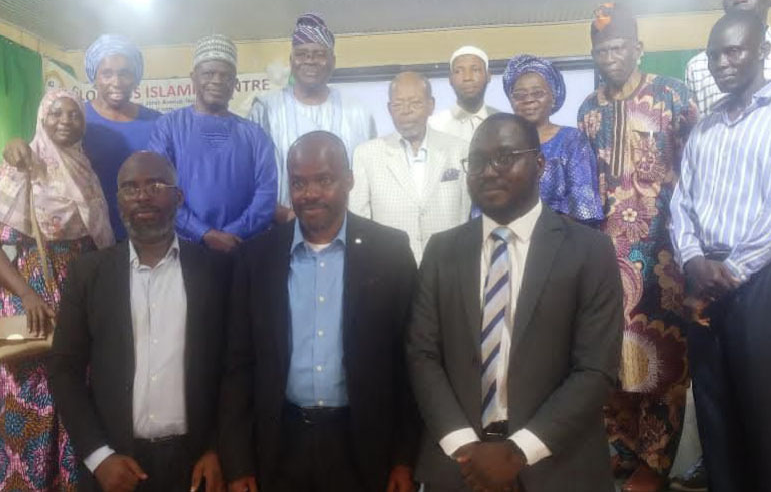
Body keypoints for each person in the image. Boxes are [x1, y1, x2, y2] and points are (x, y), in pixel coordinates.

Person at [407, 113, 623, 491]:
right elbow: (422, 355)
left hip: (557, 464)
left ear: (539, 164)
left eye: (505, 158)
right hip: (460, 467)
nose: (489, 171)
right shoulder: (442, 251)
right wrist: (466, 448)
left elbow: (595, 369)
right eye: (477, 161)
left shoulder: (590, 250)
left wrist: (518, 452)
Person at [220, 131, 419, 492]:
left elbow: (408, 361)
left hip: (364, 445)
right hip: (279, 444)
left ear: (349, 180)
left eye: (324, 180)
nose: (310, 193)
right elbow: (238, 365)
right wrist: (237, 463)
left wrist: (404, 459)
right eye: (299, 183)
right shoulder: (256, 257)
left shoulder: (390, 251)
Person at [670, 10, 771, 492]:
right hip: (704, 277)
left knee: (767, 416)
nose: (722, 63)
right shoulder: (705, 128)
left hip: (762, 280)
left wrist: (729, 270)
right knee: (715, 413)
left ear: (763, 51)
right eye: (714, 55)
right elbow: (681, 202)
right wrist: (692, 260)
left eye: (734, 51)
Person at [49, 151, 231, 492]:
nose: (143, 196)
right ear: (118, 200)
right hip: (115, 467)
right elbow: (64, 369)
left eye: (156, 185)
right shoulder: (88, 274)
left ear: (179, 197)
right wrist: (98, 456)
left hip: (196, 466)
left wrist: (217, 448)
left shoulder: (215, 271)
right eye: (130, 188)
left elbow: (232, 369)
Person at [577, 3, 699, 492]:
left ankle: (655, 463)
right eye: (601, 50)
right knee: (610, 359)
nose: (610, 57)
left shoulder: (673, 95)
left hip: (662, 258)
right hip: (604, 259)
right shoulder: (588, 110)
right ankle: (623, 454)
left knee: (661, 363)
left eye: (619, 47)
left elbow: (696, 173)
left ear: (638, 48)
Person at [0, 89, 114, 491]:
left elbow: (98, 243)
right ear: (41, 118)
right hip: (31, 295)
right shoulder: (22, 167)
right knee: (32, 391)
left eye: (74, 114)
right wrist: (28, 295)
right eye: (56, 113)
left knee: (76, 392)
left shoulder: (85, 169)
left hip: (80, 295)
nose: (65, 120)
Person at [3, 35, 161, 242]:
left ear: (136, 78)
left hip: (145, 231)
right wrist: (14, 143)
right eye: (107, 73)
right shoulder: (75, 119)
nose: (116, 82)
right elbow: (41, 148)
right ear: (94, 77)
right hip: (90, 237)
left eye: (125, 73)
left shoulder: (157, 123)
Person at [149, 34, 277, 252]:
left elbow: (266, 196)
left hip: (242, 248)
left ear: (235, 83)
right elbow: (159, 190)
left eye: (225, 76)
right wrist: (203, 233)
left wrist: (232, 235)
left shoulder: (255, 135)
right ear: (193, 77)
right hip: (185, 248)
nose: (217, 81)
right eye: (208, 73)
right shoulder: (168, 127)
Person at [249, 13, 376, 222]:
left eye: (319, 54)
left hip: (346, 229)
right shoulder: (266, 110)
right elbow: (250, 179)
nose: (310, 60)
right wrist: (287, 217)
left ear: (332, 62)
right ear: (291, 61)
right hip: (281, 228)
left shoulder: (358, 113)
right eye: (302, 54)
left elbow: (369, 178)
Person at [349, 71, 470, 263]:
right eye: (398, 105)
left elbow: (467, 215)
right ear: (389, 109)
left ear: (431, 105)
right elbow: (359, 222)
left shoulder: (460, 150)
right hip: (390, 266)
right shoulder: (366, 154)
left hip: (450, 264)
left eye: (415, 103)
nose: (406, 111)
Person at [503, 54, 603, 224]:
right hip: (508, 236)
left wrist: (539, 233)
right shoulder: (501, 145)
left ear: (553, 96)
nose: (529, 100)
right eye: (520, 95)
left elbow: (583, 205)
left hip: (561, 235)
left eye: (537, 93)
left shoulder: (572, 141)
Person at [428, 46, 499, 143]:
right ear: (450, 79)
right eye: (459, 71)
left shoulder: (502, 122)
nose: (467, 77)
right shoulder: (435, 125)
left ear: (488, 76)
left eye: (475, 70)